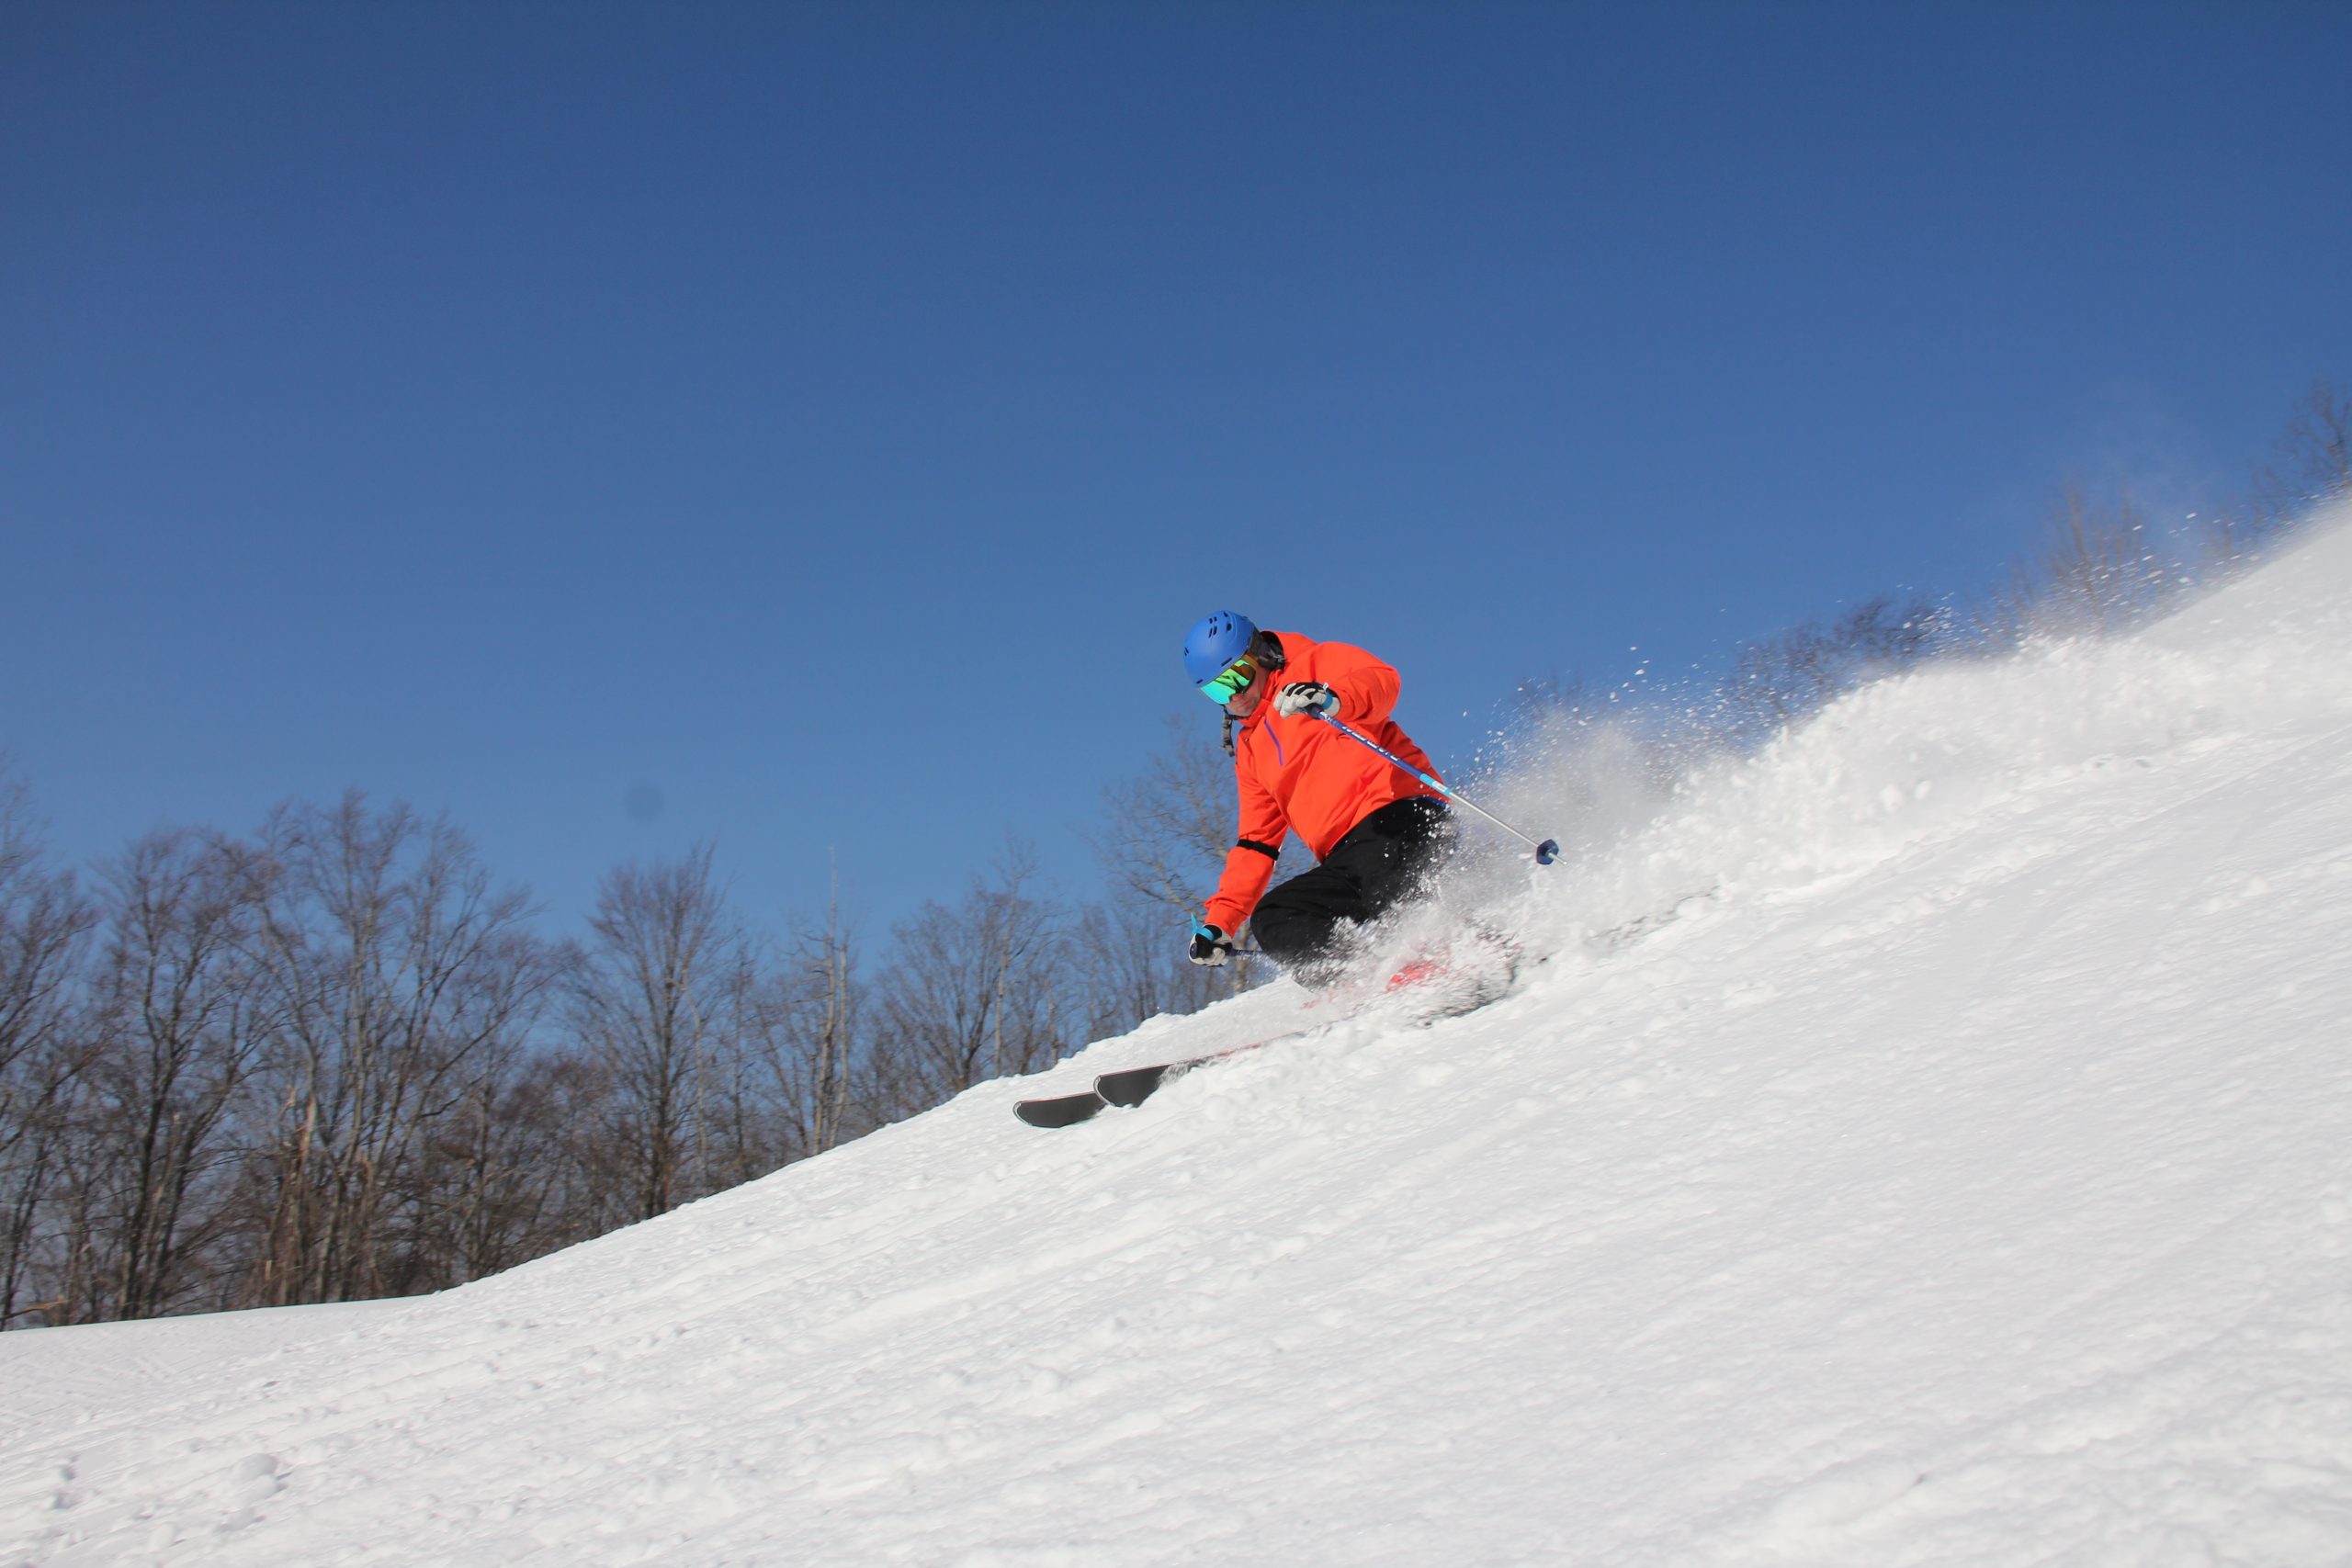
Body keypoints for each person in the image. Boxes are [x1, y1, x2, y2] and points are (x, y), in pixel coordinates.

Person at [1182, 609, 1454, 986]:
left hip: (1399, 816)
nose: (1234, 695)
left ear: (1259, 653)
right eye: (1217, 690)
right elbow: (1256, 843)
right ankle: (1359, 987)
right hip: (1350, 857)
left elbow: (1382, 682)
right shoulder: (1251, 750)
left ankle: (1429, 966)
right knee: (1277, 919)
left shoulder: (1315, 663)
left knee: (1372, 891)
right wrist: (1220, 922)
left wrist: (1333, 699)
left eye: (1238, 676)